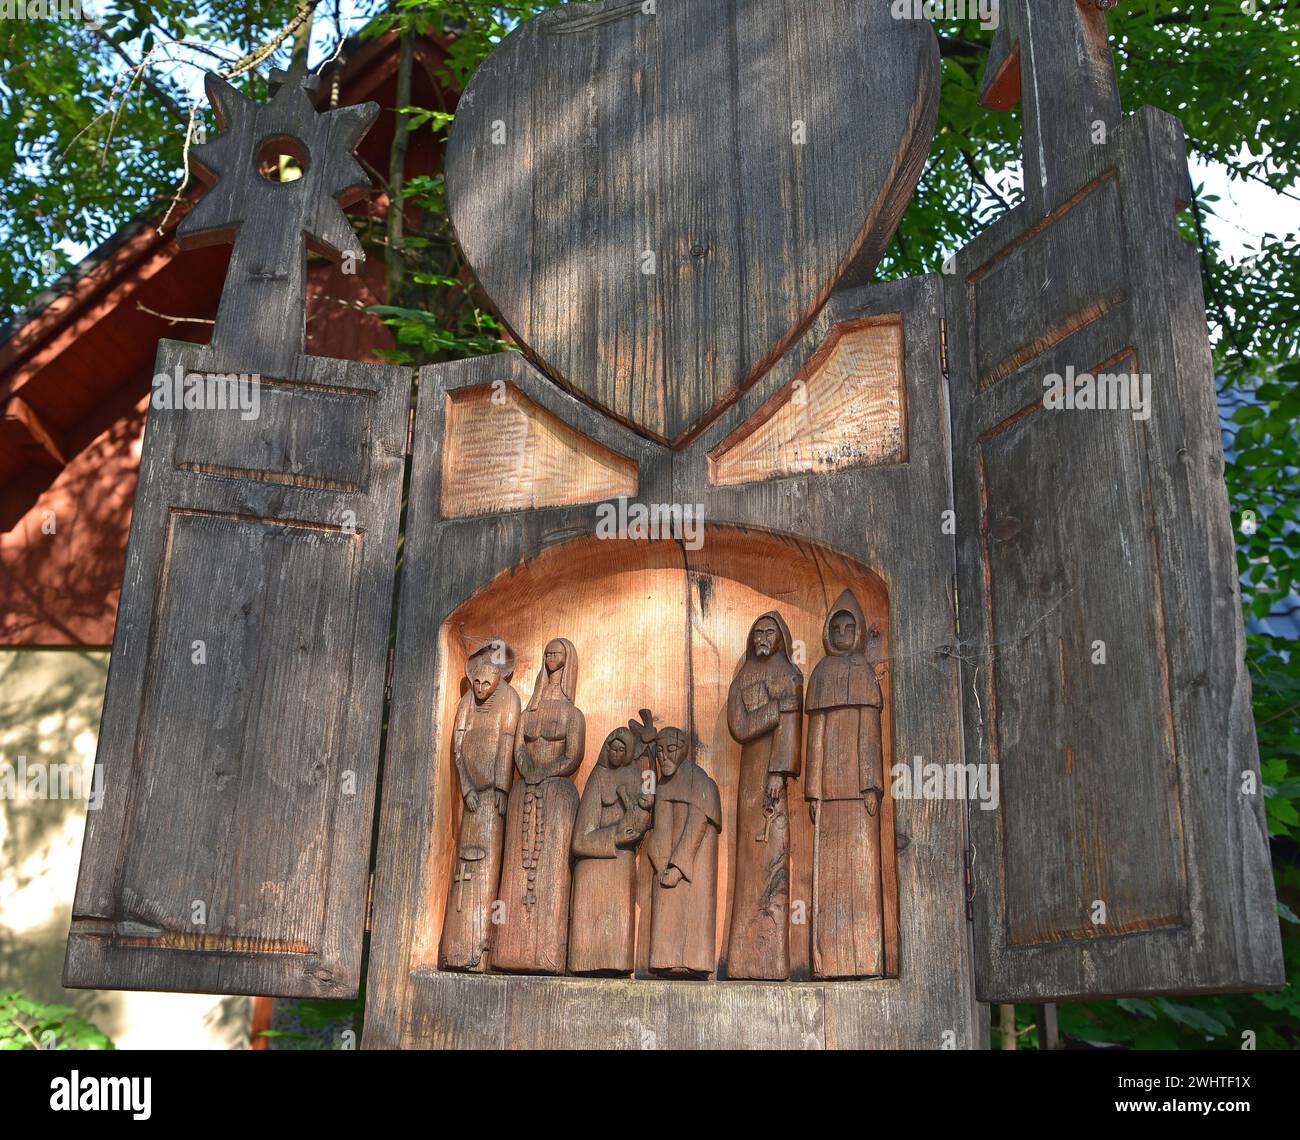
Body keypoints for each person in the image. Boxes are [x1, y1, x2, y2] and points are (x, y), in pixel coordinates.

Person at [805, 591, 885, 978]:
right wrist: (814, 790)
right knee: (828, 876)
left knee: (861, 872)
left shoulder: (866, 675)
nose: (840, 632)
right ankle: (827, 959)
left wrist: (871, 784)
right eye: (834, 627)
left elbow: (869, 734)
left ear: (857, 632)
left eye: (847, 626)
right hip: (831, 795)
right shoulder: (820, 674)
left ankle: (863, 957)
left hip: (857, 796)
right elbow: (815, 738)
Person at [492, 637, 584, 974]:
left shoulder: (573, 714)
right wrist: (529, 770)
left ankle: (546, 951)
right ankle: (509, 949)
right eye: (546, 653)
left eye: (556, 654)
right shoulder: (529, 711)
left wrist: (545, 771)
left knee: (549, 870)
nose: (550, 658)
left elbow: (572, 755)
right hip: (524, 791)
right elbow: (518, 749)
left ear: (567, 661)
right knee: (517, 870)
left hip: (558, 794)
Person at [725, 611, 803, 980]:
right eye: (757, 631)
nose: (762, 637)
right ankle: (742, 954)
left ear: (781, 638)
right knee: (748, 860)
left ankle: (769, 956)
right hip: (749, 774)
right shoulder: (744, 676)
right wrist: (774, 710)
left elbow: (790, 729)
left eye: (769, 632)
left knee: (772, 855)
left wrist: (778, 772)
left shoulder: (790, 676)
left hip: (770, 777)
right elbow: (739, 726)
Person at [439, 640, 519, 971]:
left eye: (488, 682)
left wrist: (501, 788)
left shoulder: (510, 701)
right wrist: (467, 787)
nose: (482, 688)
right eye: (477, 682)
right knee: (464, 865)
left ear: (500, 680)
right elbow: (457, 749)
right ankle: (456, 944)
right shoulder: (467, 703)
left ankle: (480, 944)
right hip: (471, 795)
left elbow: (506, 742)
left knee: (487, 862)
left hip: (493, 796)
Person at [569, 726, 651, 975]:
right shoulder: (597, 777)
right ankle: (585, 961)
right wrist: (614, 835)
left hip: (621, 862)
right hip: (593, 864)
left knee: (618, 926)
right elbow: (579, 840)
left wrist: (638, 819)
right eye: (612, 748)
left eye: (621, 750)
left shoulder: (638, 776)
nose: (616, 754)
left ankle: (617, 963)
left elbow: (643, 814)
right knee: (589, 930)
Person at [646, 727, 721, 978]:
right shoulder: (662, 785)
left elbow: (697, 825)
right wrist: (659, 860)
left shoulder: (699, 781)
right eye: (660, 751)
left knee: (693, 914)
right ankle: (666, 959)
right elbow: (659, 826)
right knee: (666, 914)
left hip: (688, 867)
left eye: (671, 749)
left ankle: (693, 962)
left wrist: (677, 867)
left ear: (684, 750)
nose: (664, 757)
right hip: (666, 865)